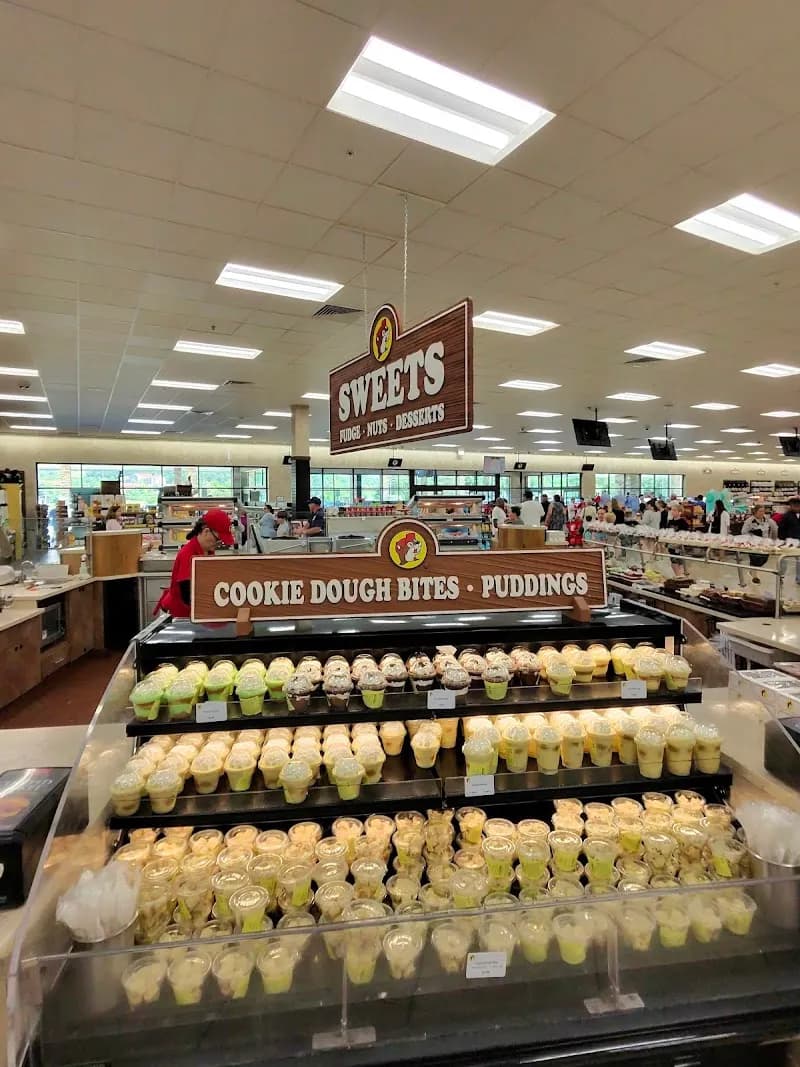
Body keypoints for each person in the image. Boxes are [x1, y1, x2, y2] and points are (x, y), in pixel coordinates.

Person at [155, 508, 234, 618]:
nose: (219, 544)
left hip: (193, 613)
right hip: (177, 615)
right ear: (206, 531)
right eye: (218, 540)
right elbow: (187, 595)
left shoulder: (208, 550)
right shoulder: (188, 554)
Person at [742, 504, 777, 572]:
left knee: (763, 560)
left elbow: (775, 528)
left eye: (763, 511)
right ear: (755, 511)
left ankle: (753, 572)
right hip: (754, 545)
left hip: (765, 544)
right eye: (760, 511)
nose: (762, 513)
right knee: (755, 561)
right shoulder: (750, 521)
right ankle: (753, 574)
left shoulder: (767, 520)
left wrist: (773, 540)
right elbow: (743, 532)